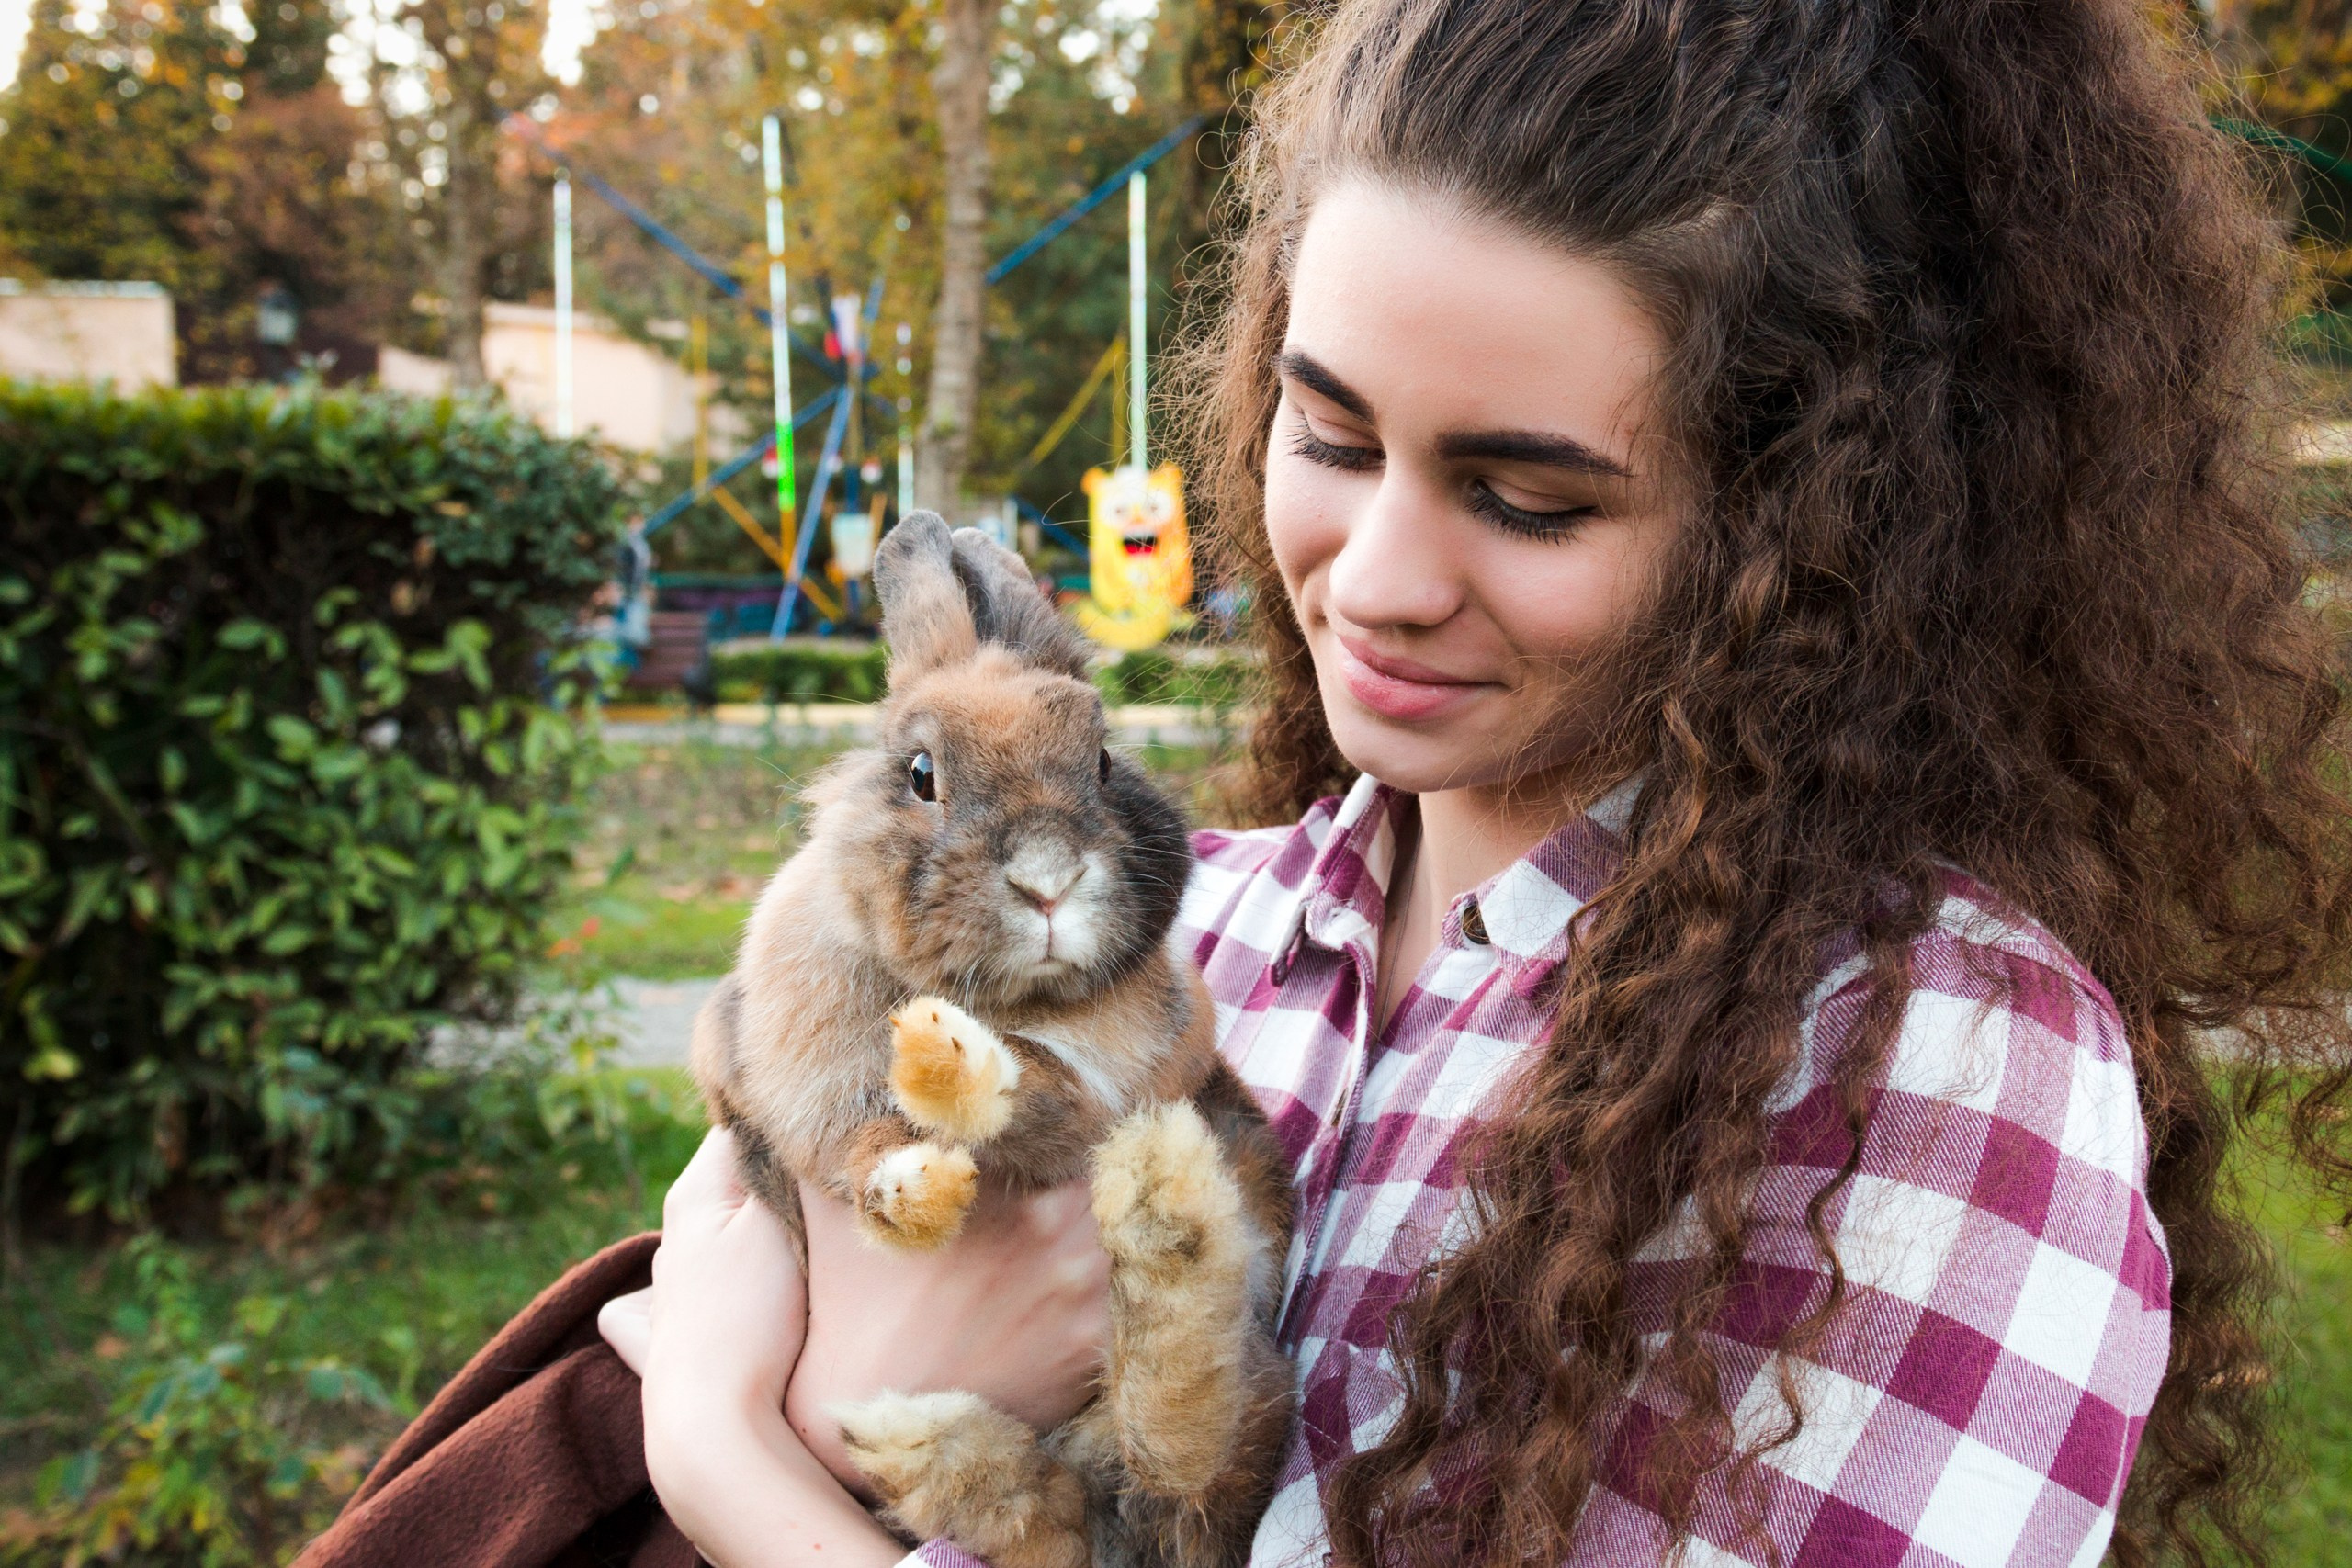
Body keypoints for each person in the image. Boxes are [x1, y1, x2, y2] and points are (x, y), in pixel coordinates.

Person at [592, 1, 2352, 1565]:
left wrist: (742, 1463)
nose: (1373, 579)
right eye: (1333, 438)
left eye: (1528, 499)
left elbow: (767, 1380)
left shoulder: (1930, 1066)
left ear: (1807, 533)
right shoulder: (1190, 926)